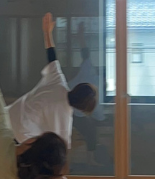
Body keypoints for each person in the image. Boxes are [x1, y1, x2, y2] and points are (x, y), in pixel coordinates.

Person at [8, 13, 97, 148]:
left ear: (77, 88)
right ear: (81, 109)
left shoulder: (58, 82)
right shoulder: (64, 119)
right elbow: (62, 149)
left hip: (8, 115)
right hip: (17, 135)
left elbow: (52, 57)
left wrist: (47, 32)